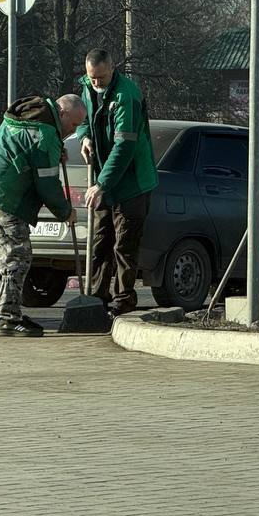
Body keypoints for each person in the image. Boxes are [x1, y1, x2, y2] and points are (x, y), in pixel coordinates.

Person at [0, 93, 86, 338]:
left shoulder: (31, 116)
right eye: (73, 125)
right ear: (62, 113)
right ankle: (9, 319)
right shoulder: (45, 135)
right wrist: (66, 212)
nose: (73, 131)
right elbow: (47, 186)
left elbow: (28, 151)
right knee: (17, 255)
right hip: (4, 195)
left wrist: (55, 152)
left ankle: (7, 312)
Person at [78, 48, 156, 317]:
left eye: (100, 77)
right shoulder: (87, 89)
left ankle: (123, 301)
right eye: (91, 77)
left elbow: (124, 147)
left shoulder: (127, 96)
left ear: (111, 69)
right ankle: (96, 299)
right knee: (100, 243)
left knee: (124, 246)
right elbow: (82, 119)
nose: (95, 83)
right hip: (104, 182)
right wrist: (84, 137)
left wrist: (101, 184)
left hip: (131, 183)